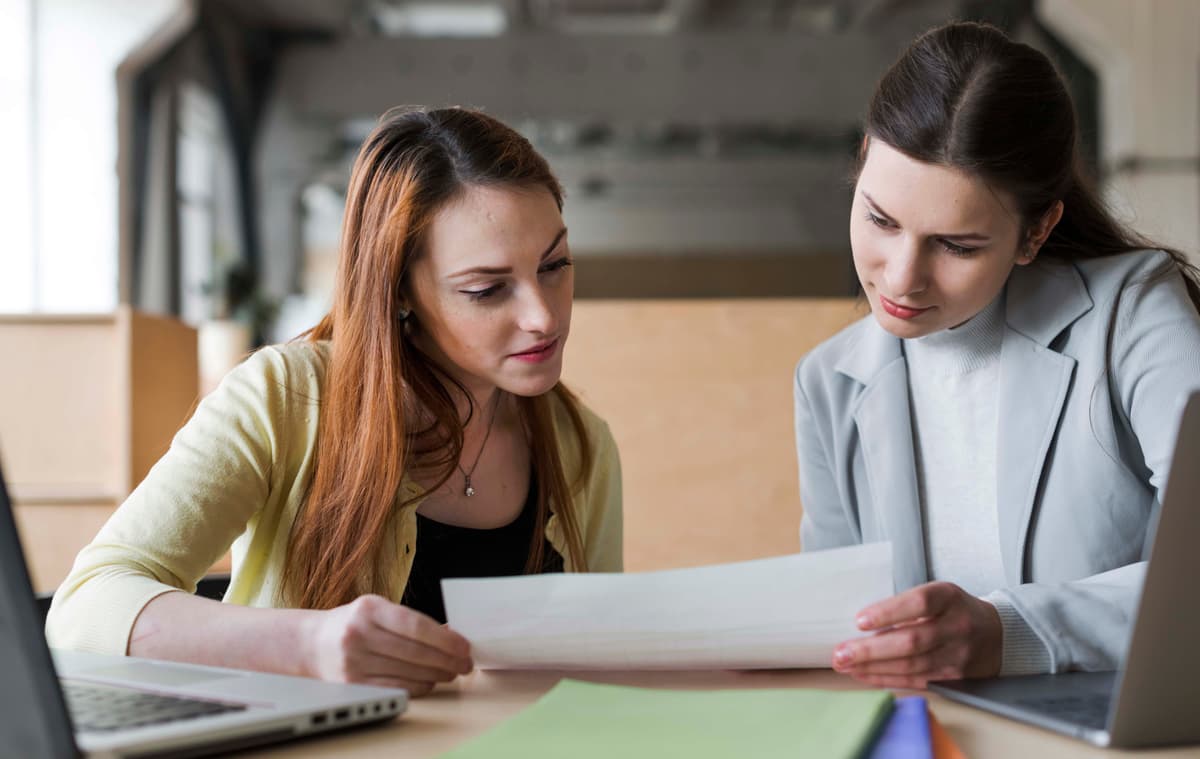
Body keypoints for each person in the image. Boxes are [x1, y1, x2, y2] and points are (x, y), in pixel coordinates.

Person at [46, 107, 623, 697]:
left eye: (555, 266)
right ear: (398, 289)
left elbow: (592, 672)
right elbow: (86, 604)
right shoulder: (281, 398)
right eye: (485, 289)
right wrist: (306, 645)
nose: (543, 316)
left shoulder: (582, 444)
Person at [794, 21, 1200, 689]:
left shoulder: (1132, 312)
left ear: (1035, 232)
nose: (899, 278)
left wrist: (1009, 630)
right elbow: (842, 626)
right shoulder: (827, 382)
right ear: (863, 159)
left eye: (956, 245)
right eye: (880, 219)